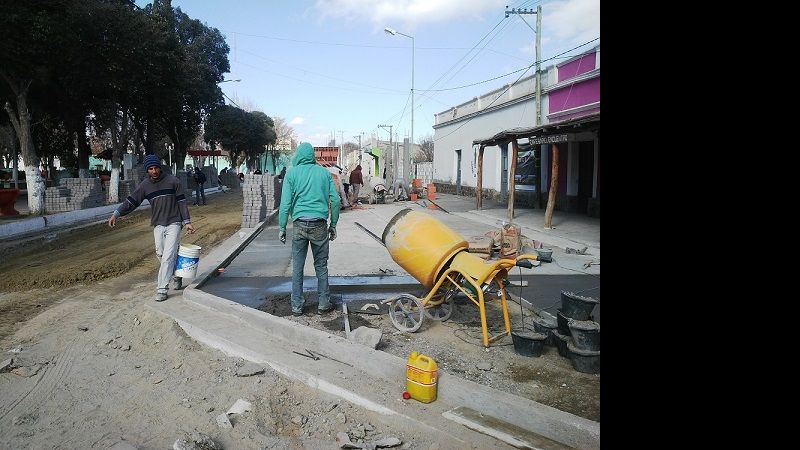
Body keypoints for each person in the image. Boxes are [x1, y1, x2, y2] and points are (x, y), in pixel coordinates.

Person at [107, 154, 194, 302]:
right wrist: (117, 213)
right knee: (160, 253)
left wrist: (187, 222)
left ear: (160, 167)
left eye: (156, 168)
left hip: (174, 222)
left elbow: (181, 202)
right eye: (151, 169)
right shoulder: (145, 185)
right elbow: (132, 201)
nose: (154, 171)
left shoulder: (173, 181)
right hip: (158, 224)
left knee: (167, 256)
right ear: (147, 170)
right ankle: (176, 275)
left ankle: (162, 289)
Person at [278, 142, 340, 316]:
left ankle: (297, 306)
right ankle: (323, 303)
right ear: (312, 156)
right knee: (321, 266)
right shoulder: (324, 173)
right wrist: (333, 225)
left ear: (299, 155)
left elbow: (285, 205)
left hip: (299, 225)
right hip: (320, 225)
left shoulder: (291, 174)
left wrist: (282, 227)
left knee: (297, 267)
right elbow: (335, 201)